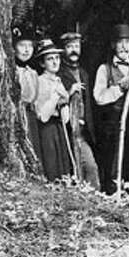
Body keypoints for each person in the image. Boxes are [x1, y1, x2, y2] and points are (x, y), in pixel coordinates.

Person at [93, 23, 129, 194]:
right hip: (112, 127)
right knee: (113, 166)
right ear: (112, 45)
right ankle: (112, 200)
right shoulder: (105, 69)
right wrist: (120, 88)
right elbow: (99, 97)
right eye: (120, 42)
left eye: (127, 42)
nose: (124, 47)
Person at [58, 30, 100, 189]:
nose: (74, 50)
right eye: (69, 46)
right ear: (63, 50)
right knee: (73, 170)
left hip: (84, 131)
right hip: (66, 131)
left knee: (90, 167)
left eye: (77, 46)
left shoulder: (84, 73)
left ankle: (95, 200)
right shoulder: (59, 72)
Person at [33, 38, 75, 181]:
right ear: (42, 63)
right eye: (50, 59)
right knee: (51, 165)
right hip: (47, 129)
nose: (55, 62)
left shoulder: (58, 80)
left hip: (59, 128)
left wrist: (65, 103)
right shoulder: (39, 81)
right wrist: (55, 96)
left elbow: (65, 117)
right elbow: (42, 115)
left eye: (57, 58)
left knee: (63, 164)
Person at [13, 26, 42, 161]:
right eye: (22, 45)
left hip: (31, 116)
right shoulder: (13, 71)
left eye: (30, 46)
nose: (26, 50)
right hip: (17, 114)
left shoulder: (33, 73)